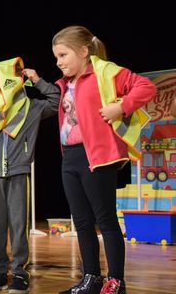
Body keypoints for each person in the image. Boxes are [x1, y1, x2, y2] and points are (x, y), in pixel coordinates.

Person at [23, 25, 156, 294]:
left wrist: (121, 107)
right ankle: (91, 278)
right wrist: (37, 80)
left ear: (83, 51)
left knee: (105, 220)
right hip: (70, 157)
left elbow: (145, 87)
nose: (58, 62)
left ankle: (116, 281)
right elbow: (56, 98)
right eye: (56, 57)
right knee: (81, 221)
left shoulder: (104, 74)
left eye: (63, 55)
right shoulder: (65, 84)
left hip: (96, 156)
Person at [0, 57, 60, 293]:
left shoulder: (31, 108)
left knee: (19, 225)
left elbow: (56, 102)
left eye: (0, 85)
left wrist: (37, 80)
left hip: (18, 172)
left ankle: (19, 272)